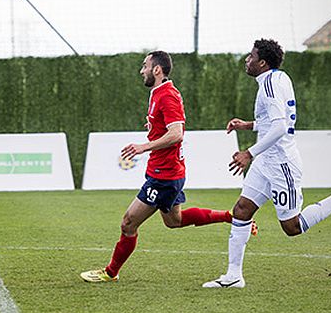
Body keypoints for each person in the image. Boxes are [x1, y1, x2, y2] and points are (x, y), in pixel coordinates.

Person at [202, 38, 331, 288]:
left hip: (281, 164)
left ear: (262, 62)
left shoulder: (269, 85)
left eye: (251, 56)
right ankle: (233, 275)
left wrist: (249, 153)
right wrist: (248, 125)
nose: (247, 60)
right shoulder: (279, 78)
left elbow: (280, 127)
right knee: (242, 210)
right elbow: (277, 120)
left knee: (292, 227)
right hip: (266, 161)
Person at [81, 50, 253, 283]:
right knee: (174, 221)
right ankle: (229, 216)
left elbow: (176, 133)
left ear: (157, 70)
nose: (141, 71)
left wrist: (143, 147)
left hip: (164, 175)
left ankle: (110, 272)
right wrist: (153, 126)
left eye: (145, 66)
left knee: (128, 222)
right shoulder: (159, 92)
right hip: (169, 172)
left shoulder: (167, 95)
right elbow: (168, 126)